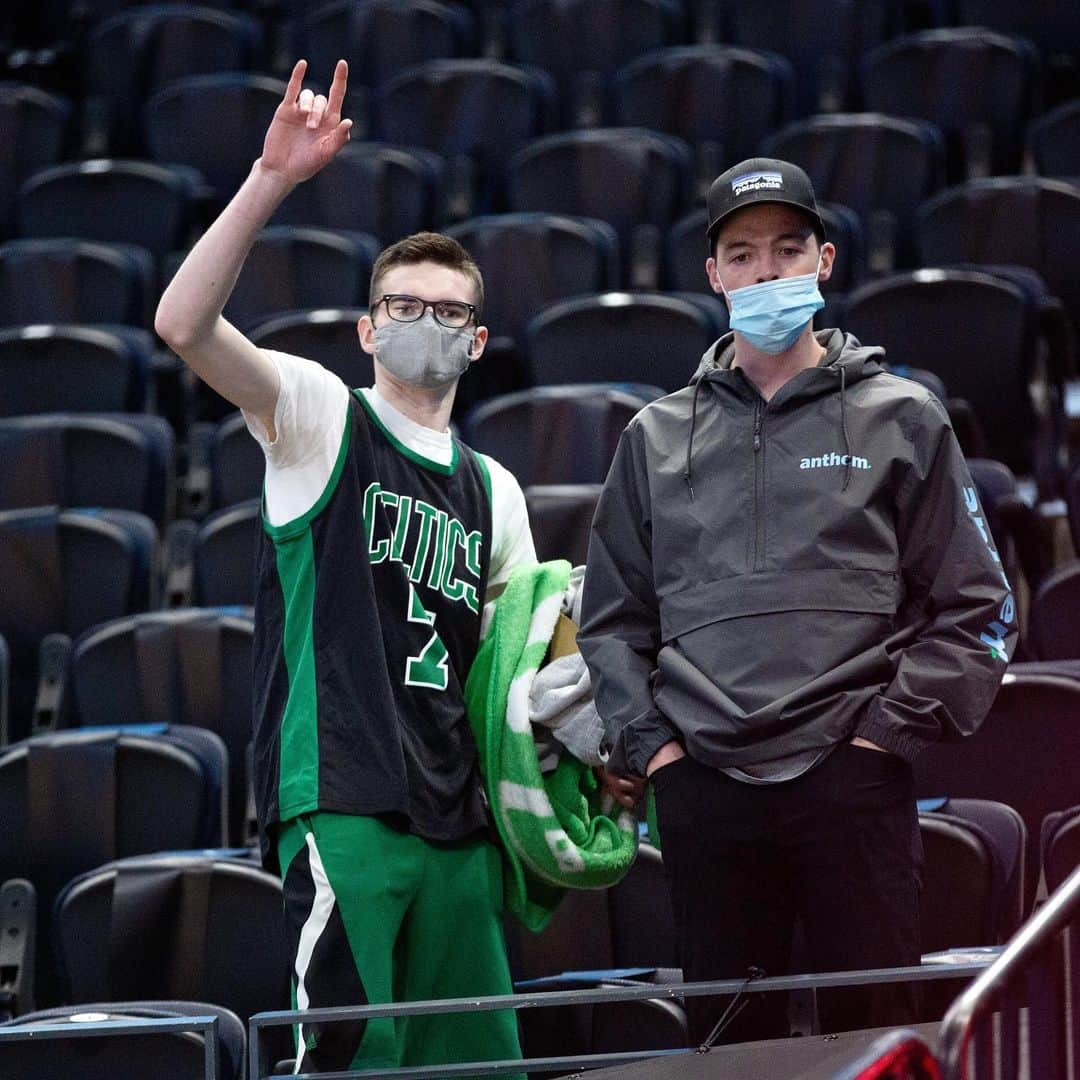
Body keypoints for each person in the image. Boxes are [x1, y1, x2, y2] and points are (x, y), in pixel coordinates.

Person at [577, 157, 1017, 1044]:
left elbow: (978, 607)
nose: (764, 271)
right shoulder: (654, 437)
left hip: (854, 780)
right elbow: (613, 624)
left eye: (786, 249)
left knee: (873, 1042)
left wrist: (881, 739)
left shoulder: (903, 416)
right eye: (742, 255)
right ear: (713, 276)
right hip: (706, 792)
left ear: (823, 261)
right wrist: (660, 757)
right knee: (734, 1053)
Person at [155, 59, 538, 1075]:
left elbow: (517, 676)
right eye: (405, 307)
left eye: (449, 314)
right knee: (344, 1066)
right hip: (346, 806)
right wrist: (272, 179)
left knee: (480, 1069)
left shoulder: (496, 490)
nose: (427, 325)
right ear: (369, 329)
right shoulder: (323, 415)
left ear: (479, 341)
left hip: (464, 826)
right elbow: (183, 327)